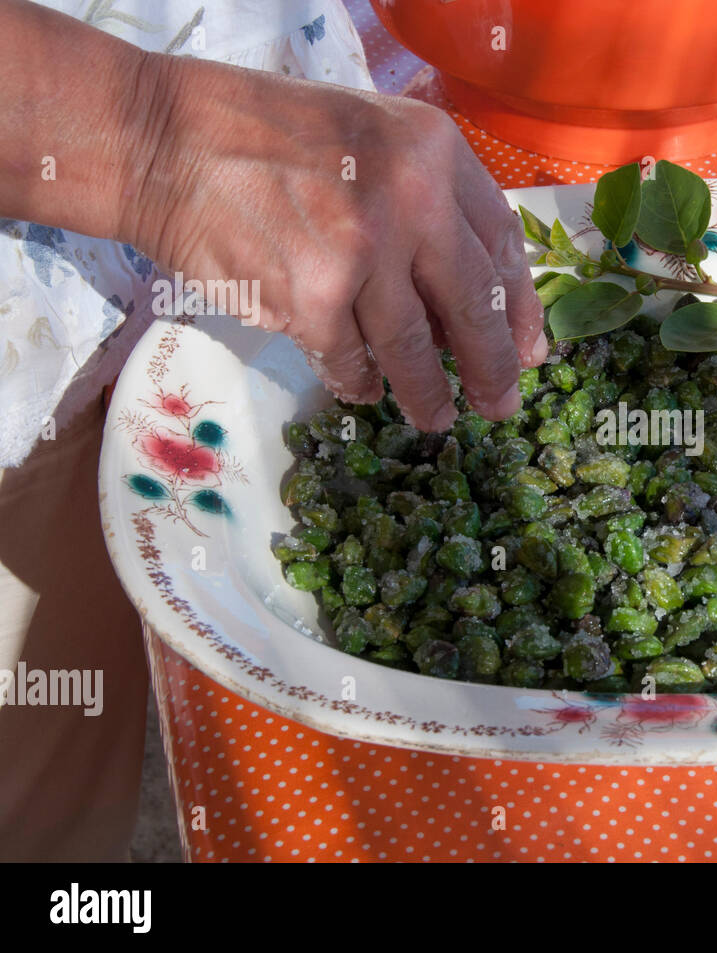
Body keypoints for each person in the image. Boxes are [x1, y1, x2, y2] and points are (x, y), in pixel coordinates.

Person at [0, 0, 543, 860]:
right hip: (21, 315)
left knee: (68, 744)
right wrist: (148, 133)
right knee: (24, 788)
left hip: (224, 191)